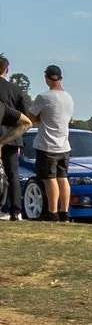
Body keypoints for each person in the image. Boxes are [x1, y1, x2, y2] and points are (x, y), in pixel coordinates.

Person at [26, 64, 75, 222]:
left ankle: (52, 212)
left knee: (49, 179)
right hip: (64, 144)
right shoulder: (68, 97)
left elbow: (30, 118)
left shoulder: (44, 97)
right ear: (60, 78)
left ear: (46, 77)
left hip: (47, 144)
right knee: (63, 178)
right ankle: (64, 212)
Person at [0, 54, 31, 222]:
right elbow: (25, 118)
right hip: (11, 137)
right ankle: (15, 211)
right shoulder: (16, 90)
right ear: (7, 69)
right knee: (12, 174)